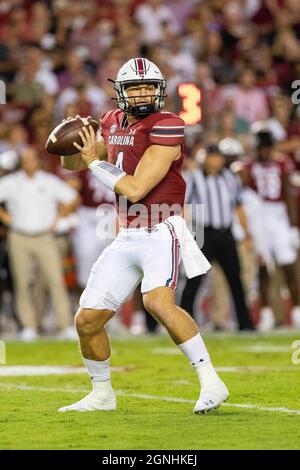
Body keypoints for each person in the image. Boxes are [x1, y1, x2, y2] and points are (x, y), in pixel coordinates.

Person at [58, 57, 228, 414]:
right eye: (134, 87)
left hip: (161, 228)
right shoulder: (110, 121)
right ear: (120, 93)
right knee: (87, 320)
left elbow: (135, 188)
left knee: (156, 302)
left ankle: (212, 382)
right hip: (127, 232)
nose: (142, 93)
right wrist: (70, 146)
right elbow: (78, 162)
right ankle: (102, 394)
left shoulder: (167, 125)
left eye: (148, 86)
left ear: (160, 89)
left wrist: (92, 161)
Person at [0, 146, 78, 341]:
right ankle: (29, 326)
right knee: (23, 282)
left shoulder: (49, 181)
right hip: (19, 236)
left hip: (45, 236)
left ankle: (65, 325)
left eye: (31, 159)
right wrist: (5, 218)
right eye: (25, 160)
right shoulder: (11, 182)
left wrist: (58, 218)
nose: (28, 163)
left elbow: (72, 198)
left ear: (38, 161)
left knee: (55, 281)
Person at [181, 144, 254, 331]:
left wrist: (247, 234)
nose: (217, 161)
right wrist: (183, 232)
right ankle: (182, 322)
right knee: (194, 279)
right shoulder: (194, 178)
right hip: (203, 233)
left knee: (235, 280)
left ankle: (245, 323)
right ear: (205, 159)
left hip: (225, 233)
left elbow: (238, 207)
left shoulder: (230, 178)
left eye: (219, 157)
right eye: (213, 157)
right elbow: (184, 206)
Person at [245, 129, 300, 330]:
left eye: (266, 148)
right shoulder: (248, 166)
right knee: (263, 267)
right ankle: (266, 314)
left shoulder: (282, 163)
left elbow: (289, 196)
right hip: (259, 216)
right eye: (260, 148)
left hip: (278, 215)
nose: (263, 152)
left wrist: (294, 227)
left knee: (288, 266)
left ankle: (296, 312)